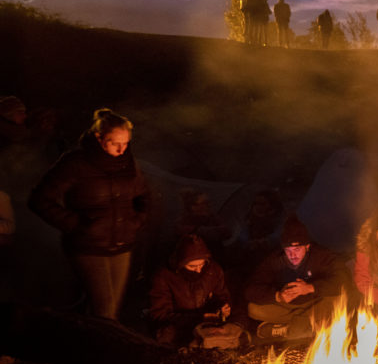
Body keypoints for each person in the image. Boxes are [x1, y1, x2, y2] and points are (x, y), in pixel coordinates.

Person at [29, 108, 150, 321]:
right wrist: (77, 225)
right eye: (115, 143)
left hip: (122, 245)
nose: (122, 149)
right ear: (99, 138)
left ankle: (81, 341)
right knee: (105, 312)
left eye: (126, 143)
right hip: (88, 247)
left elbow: (144, 195)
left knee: (108, 309)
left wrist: (136, 221)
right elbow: (39, 200)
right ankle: (101, 351)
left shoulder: (127, 163)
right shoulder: (76, 164)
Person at [244, 213, 349, 339]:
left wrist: (311, 288)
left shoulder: (322, 256)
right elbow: (251, 289)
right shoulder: (275, 261)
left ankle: (286, 330)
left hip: (314, 304)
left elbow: (344, 280)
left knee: (338, 299)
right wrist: (277, 296)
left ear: (307, 246)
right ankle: (307, 327)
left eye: (297, 249)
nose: (293, 255)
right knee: (253, 309)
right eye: (288, 250)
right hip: (288, 307)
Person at [148, 234, 232, 346]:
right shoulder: (164, 276)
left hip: (207, 324)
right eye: (192, 266)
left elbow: (221, 295)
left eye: (202, 264)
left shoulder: (213, 270)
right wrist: (197, 318)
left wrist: (223, 307)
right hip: (177, 326)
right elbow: (160, 314)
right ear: (181, 264)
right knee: (168, 336)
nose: (198, 270)